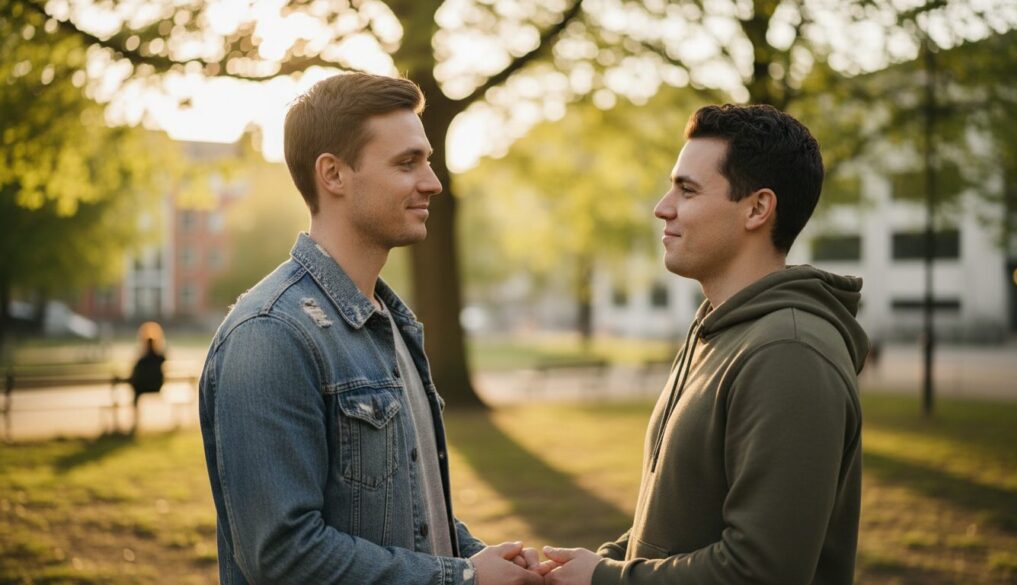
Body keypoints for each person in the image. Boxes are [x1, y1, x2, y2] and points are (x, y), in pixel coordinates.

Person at [198, 72, 545, 585]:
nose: (433, 181)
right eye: (407, 163)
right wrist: (463, 579)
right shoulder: (270, 335)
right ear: (333, 175)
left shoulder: (389, 323)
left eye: (426, 160)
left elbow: (405, 505)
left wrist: (481, 557)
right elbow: (284, 557)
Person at [540, 104, 869, 585]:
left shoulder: (789, 352)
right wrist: (599, 560)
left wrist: (605, 579)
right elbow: (684, 518)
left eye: (687, 190)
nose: (662, 207)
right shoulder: (718, 329)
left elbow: (761, 571)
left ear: (757, 208)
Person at [128, 321, 166, 433]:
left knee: (135, 391)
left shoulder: (142, 359)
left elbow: (135, 374)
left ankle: (135, 420)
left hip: (142, 388)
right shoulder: (160, 357)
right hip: (157, 386)